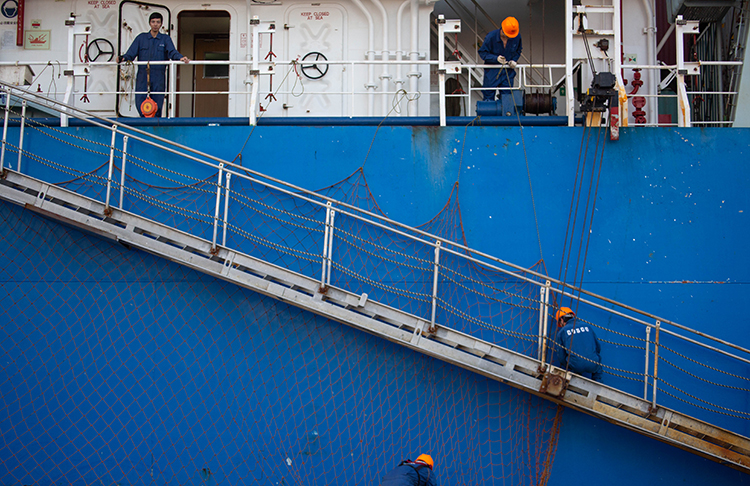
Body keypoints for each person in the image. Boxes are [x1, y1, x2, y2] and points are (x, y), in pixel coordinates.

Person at [118, 12, 189, 117]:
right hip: (143, 75)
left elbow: (172, 52)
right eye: (153, 22)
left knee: (158, 101)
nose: (155, 24)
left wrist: (180, 57)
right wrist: (122, 58)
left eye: (158, 22)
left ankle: (156, 121)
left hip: (158, 75)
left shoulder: (165, 39)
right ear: (149, 23)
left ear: (161, 24)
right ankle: (144, 120)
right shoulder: (141, 38)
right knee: (140, 100)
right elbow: (131, 54)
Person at [552, 307, 603, 381]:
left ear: (561, 320)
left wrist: (568, 365)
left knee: (573, 362)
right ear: (572, 316)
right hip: (592, 364)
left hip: (576, 366)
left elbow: (561, 356)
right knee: (597, 363)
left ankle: (575, 379)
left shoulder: (562, 332)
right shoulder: (587, 327)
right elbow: (598, 348)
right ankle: (598, 386)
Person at [478, 16, 523, 101]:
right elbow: (482, 53)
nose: (510, 37)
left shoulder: (516, 36)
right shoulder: (491, 37)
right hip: (492, 71)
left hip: (507, 72)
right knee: (488, 97)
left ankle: (505, 114)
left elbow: (518, 50)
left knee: (507, 98)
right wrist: (495, 58)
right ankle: (489, 114)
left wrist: (514, 60)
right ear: (502, 30)